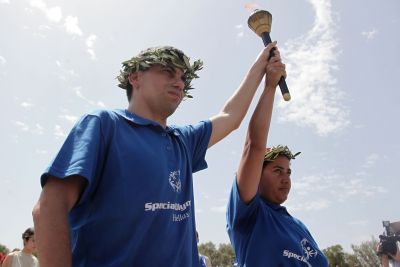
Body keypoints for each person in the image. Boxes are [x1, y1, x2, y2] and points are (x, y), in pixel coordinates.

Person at [32, 43, 278, 266]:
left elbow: (230, 117)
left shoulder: (183, 140)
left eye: (183, 78)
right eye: (168, 71)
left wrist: (262, 68)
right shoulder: (104, 125)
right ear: (135, 77)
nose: (179, 82)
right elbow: (49, 207)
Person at [226, 47, 328, 266]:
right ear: (257, 176)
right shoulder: (250, 215)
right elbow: (254, 146)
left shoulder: (298, 226)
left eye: (289, 172)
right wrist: (270, 86)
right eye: (277, 170)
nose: (286, 178)